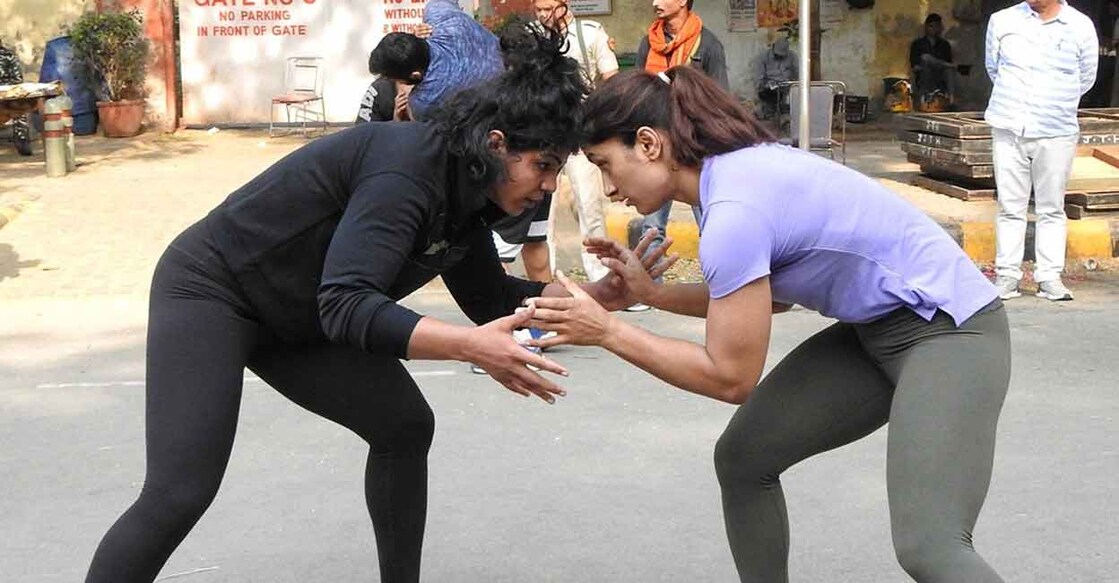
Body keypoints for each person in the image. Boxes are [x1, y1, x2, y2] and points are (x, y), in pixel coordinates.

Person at [82, 30, 638, 583]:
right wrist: (469, 348)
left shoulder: (470, 190)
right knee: (180, 490)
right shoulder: (407, 171)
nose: (547, 187)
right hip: (214, 291)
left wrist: (599, 297)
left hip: (300, 313)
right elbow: (348, 305)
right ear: (496, 144)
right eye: (543, 166)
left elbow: (491, 298)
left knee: (403, 426)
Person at [527, 67, 1012, 582]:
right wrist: (653, 296)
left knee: (931, 546)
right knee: (744, 460)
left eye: (605, 164)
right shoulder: (728, 179)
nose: (608, 188)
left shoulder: (734, 206)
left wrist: (605, 330)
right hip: (876, 331)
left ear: (648, 144)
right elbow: (765, 302)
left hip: (952, 331)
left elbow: (731, 377)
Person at [985, 0, 1098, 301]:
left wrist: (1052, 102)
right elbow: (994, 68)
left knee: (1051, 207)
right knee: (1010, 206)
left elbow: (1086, 77)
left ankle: (1049, 277)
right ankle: (1007, 275)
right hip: (1009, 126)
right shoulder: (1002, 21)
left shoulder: (1080, 26)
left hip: (1056, 129)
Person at [632, 0, 728, 309]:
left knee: (711, 221)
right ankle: (650, 291)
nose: (655, 2)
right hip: (654, 145)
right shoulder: (648, 42)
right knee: (651, 223)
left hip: (693, 146)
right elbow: (638, 91)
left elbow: (718, 98)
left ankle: (723, 286)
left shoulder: (708, 43)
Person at [533, 0, 619, 283]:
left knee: (589, 205)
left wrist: (594, 117)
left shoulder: (590, 33)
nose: (544, 15)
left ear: (564, 5)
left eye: (548, 8)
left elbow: (611, 79)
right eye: (539, 9)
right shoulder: (535, 38)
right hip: (547, 135)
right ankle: (547, 281)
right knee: (543, 211)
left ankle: (601, 279)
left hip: (581, 136)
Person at [367, 0, 503, 121]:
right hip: (514, 73)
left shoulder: (423, 102)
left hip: (500, 112)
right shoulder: (438, 12)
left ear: (415, 75)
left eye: (394, 79)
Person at [909, 13, 956, 109]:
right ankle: (924, 101)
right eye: (931, 26)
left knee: (949, 70)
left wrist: (938, 64)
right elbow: (915, 66)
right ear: (926, 27)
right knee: (926, 59)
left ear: (940, 27)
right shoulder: (918, 44)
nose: (933, 29)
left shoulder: (944, 45)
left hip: (940, 73)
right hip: (925, 73)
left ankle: (951, 101)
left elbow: (948, 62)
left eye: (936, 26)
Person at [0, 39, 32, 156]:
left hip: (8, 95)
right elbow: (18, 79)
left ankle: (22, 140)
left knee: (19, 110)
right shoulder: (9, 55)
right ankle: (22, 140)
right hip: (8, 94)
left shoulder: (9, 56)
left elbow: (17, 80)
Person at [754, 36, 797, 120]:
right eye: (777, 54)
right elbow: (758, 78)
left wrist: (794, 84)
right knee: (768, 111)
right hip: (769, 89)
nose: (780, 57)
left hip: (787, 89)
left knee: (789, 108)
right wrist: (765, 85)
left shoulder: (792, 57)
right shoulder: (763, 57)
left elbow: (797, 73)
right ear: (773, 47)